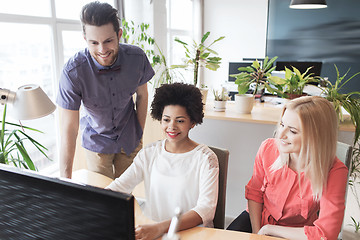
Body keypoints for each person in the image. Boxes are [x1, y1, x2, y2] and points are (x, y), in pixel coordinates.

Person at [106, 83, 219, 240]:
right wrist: (95, 202)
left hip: (192, 234)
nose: (171, 127)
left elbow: (205, 210)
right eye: (166, 119)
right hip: (152, 233)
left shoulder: (206, 158)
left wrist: (160, 228)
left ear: (192, 122)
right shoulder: (149, 153)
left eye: (180, 121)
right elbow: (120, 186)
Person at [227, 96, 348, 240]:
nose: (281, 135)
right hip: (257, 220)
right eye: (282, 124)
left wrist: (270, 230)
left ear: (315, 137)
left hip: (298, 233)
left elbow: (325, 234)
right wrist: (257, 232)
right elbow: (255, 193)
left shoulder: (335, 172)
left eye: (292, 131)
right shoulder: (268, 148)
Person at [56, 1, 154, 179]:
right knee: (102, 198)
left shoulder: (137, 58)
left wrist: (139, 132)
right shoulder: (73, 71)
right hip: (97, 142)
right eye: (94, 43)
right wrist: (65, 180)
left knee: (126, 196)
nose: (102, 50)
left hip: (130, 138)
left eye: (108, 41)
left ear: (119, 34)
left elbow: (142, 95)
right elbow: (69, 127)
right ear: (85, 40)